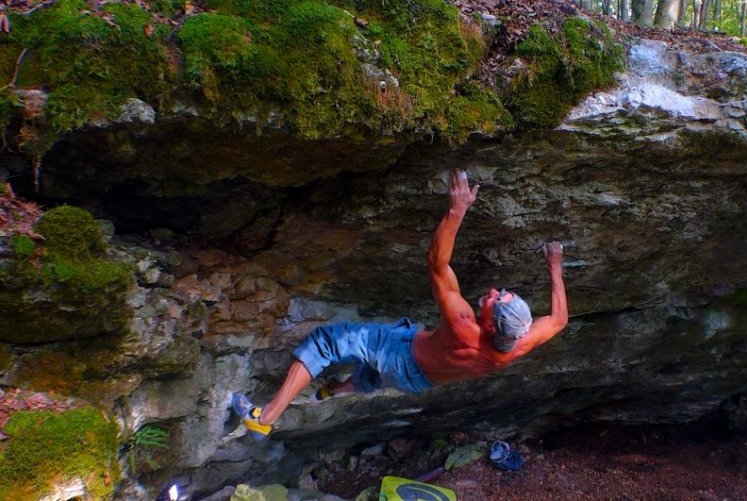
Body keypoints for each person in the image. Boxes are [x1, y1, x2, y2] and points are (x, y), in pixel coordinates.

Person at [231, 168, 569, 438]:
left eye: (496, 299)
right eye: (502, 291)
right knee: (387, 360)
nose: (493, 291)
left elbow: (437, 263)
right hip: (419, 381)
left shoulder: (464, 322)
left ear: (491, 324)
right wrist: (554, 266)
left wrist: (456, 210)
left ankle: (265, 417)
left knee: (328, 342)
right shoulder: (519, 344)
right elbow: (558, 320)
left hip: (402, 356)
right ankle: (335, 390)